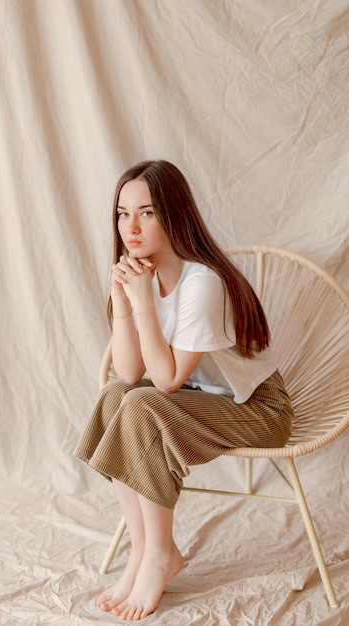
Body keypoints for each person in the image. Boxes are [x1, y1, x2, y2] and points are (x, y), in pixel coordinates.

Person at [74, 160, 293, 621]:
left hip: (258, 409)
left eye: (147, 213)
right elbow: (131, 373)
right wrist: (124, 303)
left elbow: (168, 380)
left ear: (174, 214)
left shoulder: (202, 283)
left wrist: (142, 303)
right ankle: (143, 550)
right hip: (204, 400)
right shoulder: (140, 275)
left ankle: (159, 554)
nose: (130, 227)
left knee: (143, 403)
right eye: (122, 213)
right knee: (117, 397)